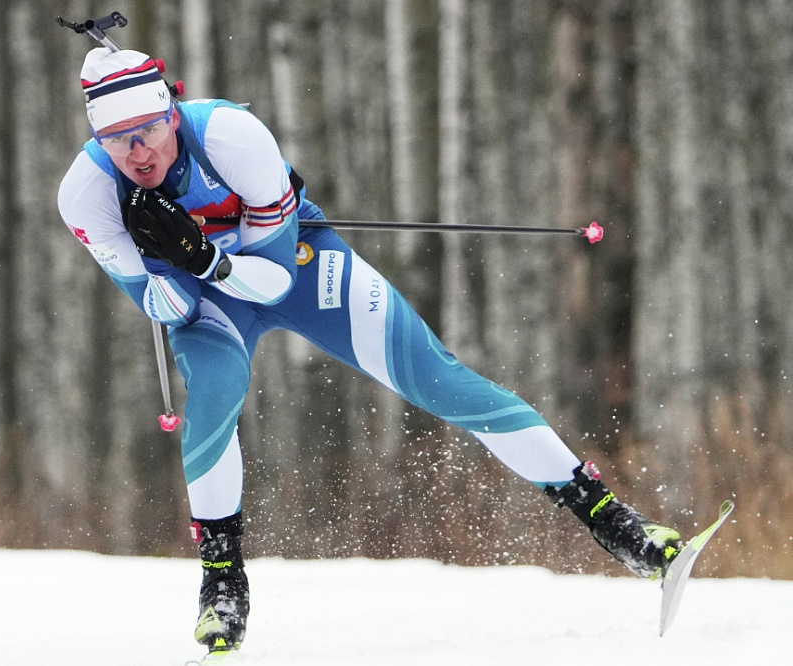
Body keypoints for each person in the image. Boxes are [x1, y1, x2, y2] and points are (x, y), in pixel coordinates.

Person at [57, 47, 682, 655]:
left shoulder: (232, 137)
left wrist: (204, 256)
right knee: (215, 396)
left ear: (172, 112)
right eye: (117, 139)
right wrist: (169, 271)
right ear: (97, 141)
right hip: (208, 299)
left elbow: (273, 282)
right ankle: (223, 584)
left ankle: (615, 524)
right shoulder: (87, 194)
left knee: (436, 379)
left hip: (296, 266)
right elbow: (169, 311)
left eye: (146, 129)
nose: (137, 152)